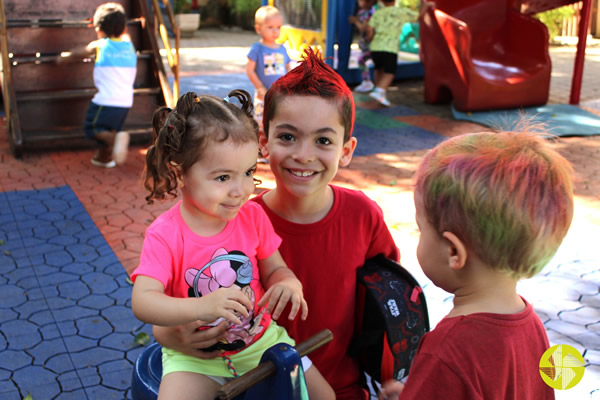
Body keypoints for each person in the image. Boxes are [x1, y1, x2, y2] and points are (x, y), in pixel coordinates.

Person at [153, 49, 400, 400]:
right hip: (251, 384)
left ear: (346, 150)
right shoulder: (234, 219)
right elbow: (172, 298)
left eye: (324, 140)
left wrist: (394, 373)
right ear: (263, 144)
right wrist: (167, 334)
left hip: (339, 386)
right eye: (287, 137)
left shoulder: (363, 215)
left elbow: (389, 301)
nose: (303, 154)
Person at [130, 90, 334, 400]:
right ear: (179, 171)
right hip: (195, 359)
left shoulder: (251, 217)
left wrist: (287, 281)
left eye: (249, 172)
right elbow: (143, 301)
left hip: (262, 343)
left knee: (325, 396)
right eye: (223, 177)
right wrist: (203, 306)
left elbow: (274, 267)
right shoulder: (166, 234)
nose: (241, 189)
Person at [379, 130, 572, 399]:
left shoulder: (446, 351)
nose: (418, 236)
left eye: (420, 229)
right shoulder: (530, 324)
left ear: (453, 252)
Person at [59, 2, 136, 168]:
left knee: (92, 128)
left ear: (98, 29)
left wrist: (64, 57)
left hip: (106, 101)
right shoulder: (129, 47)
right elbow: (124, 34)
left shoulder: (101, 45)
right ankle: (104, 157)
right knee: (108, 129)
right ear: (124, 29)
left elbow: (80, 53)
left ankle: (117, 140)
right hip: (125, 102)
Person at [246, 5, 293, 138]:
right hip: (263, 95)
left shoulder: (282, 49)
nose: (275, 31)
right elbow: (250, 70)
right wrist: (260, 87)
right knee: (261, 122)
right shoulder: (257, 48)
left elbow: (289, 69)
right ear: (258, 29)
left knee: (280, 121)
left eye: (278, 27)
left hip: (281, 94)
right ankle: (261, 148)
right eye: (270, 27)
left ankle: (276, 147)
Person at [365, 0, 420, 106]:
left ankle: (380, 91)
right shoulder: (401, 12)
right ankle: (379, 91)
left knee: (379, 69)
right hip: (390, 48)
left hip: (376, 46)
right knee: (389, 72)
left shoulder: (378, 13)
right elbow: (417, 16)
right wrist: (426, 7)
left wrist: (371, 40)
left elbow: (370, 30)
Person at [349, 0, 377, 93]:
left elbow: (363, 28)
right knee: (363, 60)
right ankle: (368, 82)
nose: (358, 1)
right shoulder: (362, 12)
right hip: (366, 43)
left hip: (371, 43)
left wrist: (355, 21)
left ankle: (367, 82)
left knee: (361, 60)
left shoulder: (370, 13)